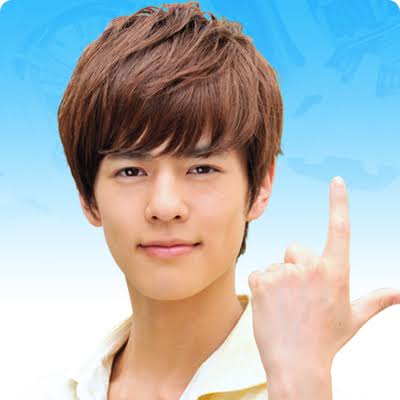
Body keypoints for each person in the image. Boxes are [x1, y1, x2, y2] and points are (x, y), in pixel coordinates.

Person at [30, 2, 400, 400]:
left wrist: (299, 385)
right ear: (88, 198)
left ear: (260, 187)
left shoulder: (329, 385)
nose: (165, 206)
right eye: (132, 171)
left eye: (201, 168)